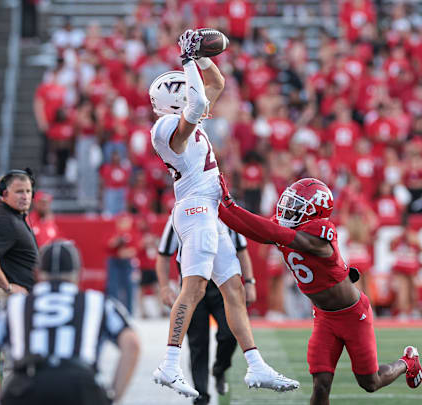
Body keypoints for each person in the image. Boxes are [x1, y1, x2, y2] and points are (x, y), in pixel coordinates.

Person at [149, 29, 298, 397]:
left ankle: (256, 366)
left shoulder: (183, 116)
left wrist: (198, 56)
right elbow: (197, 105)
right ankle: (169, 365)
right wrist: (186, 61)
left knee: (232, 288)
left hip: (210, 209)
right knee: (195, 288)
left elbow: (217, 81)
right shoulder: (165, 127)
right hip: (196, 209)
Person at [218, 175, 422, 405]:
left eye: (298, 205)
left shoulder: (320, 232)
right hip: (324, 316)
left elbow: (273, 234)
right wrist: (220, 206)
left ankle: (408, 362)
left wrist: (229, 205)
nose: (289, 208)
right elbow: (256, 231)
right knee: (321, 385)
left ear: (315, 211)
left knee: (370, 382)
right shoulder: (288, 224)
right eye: (291, 201)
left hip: (353, 314)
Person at [0, 240, 140, 405]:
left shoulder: (17, 305)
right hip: (80, 385)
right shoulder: (97, 302)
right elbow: (132, 344)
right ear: (79, 273)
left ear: (37, 273)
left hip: (29, 384)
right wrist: (113, 396)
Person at [155, 214, 257, 405]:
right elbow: (163, 254)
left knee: (230, 334)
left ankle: (220, 367)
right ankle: (201, 395)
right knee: (198, 343)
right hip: (192, 289)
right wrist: (164, 287)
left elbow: (241, 250)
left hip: (222, 288)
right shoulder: (178, 215)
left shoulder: (226, 214)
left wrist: (250, 282)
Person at [0, 169, 39, 317]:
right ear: (4, 193)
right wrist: (8, 287)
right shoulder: (6, 220)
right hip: (8, 300)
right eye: (19, 192)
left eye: (28, 191)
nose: (25, 196)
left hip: (16, 300)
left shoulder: (15, 218)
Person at [390, 212, 422, 319]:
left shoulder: (405, 236)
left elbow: (391, 248)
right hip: (409, 265)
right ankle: (408, 311)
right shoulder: (408, 236)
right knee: (408, 289)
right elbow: (421, 249)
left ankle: (408, 311)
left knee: (408, 289)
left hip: (405, 265)